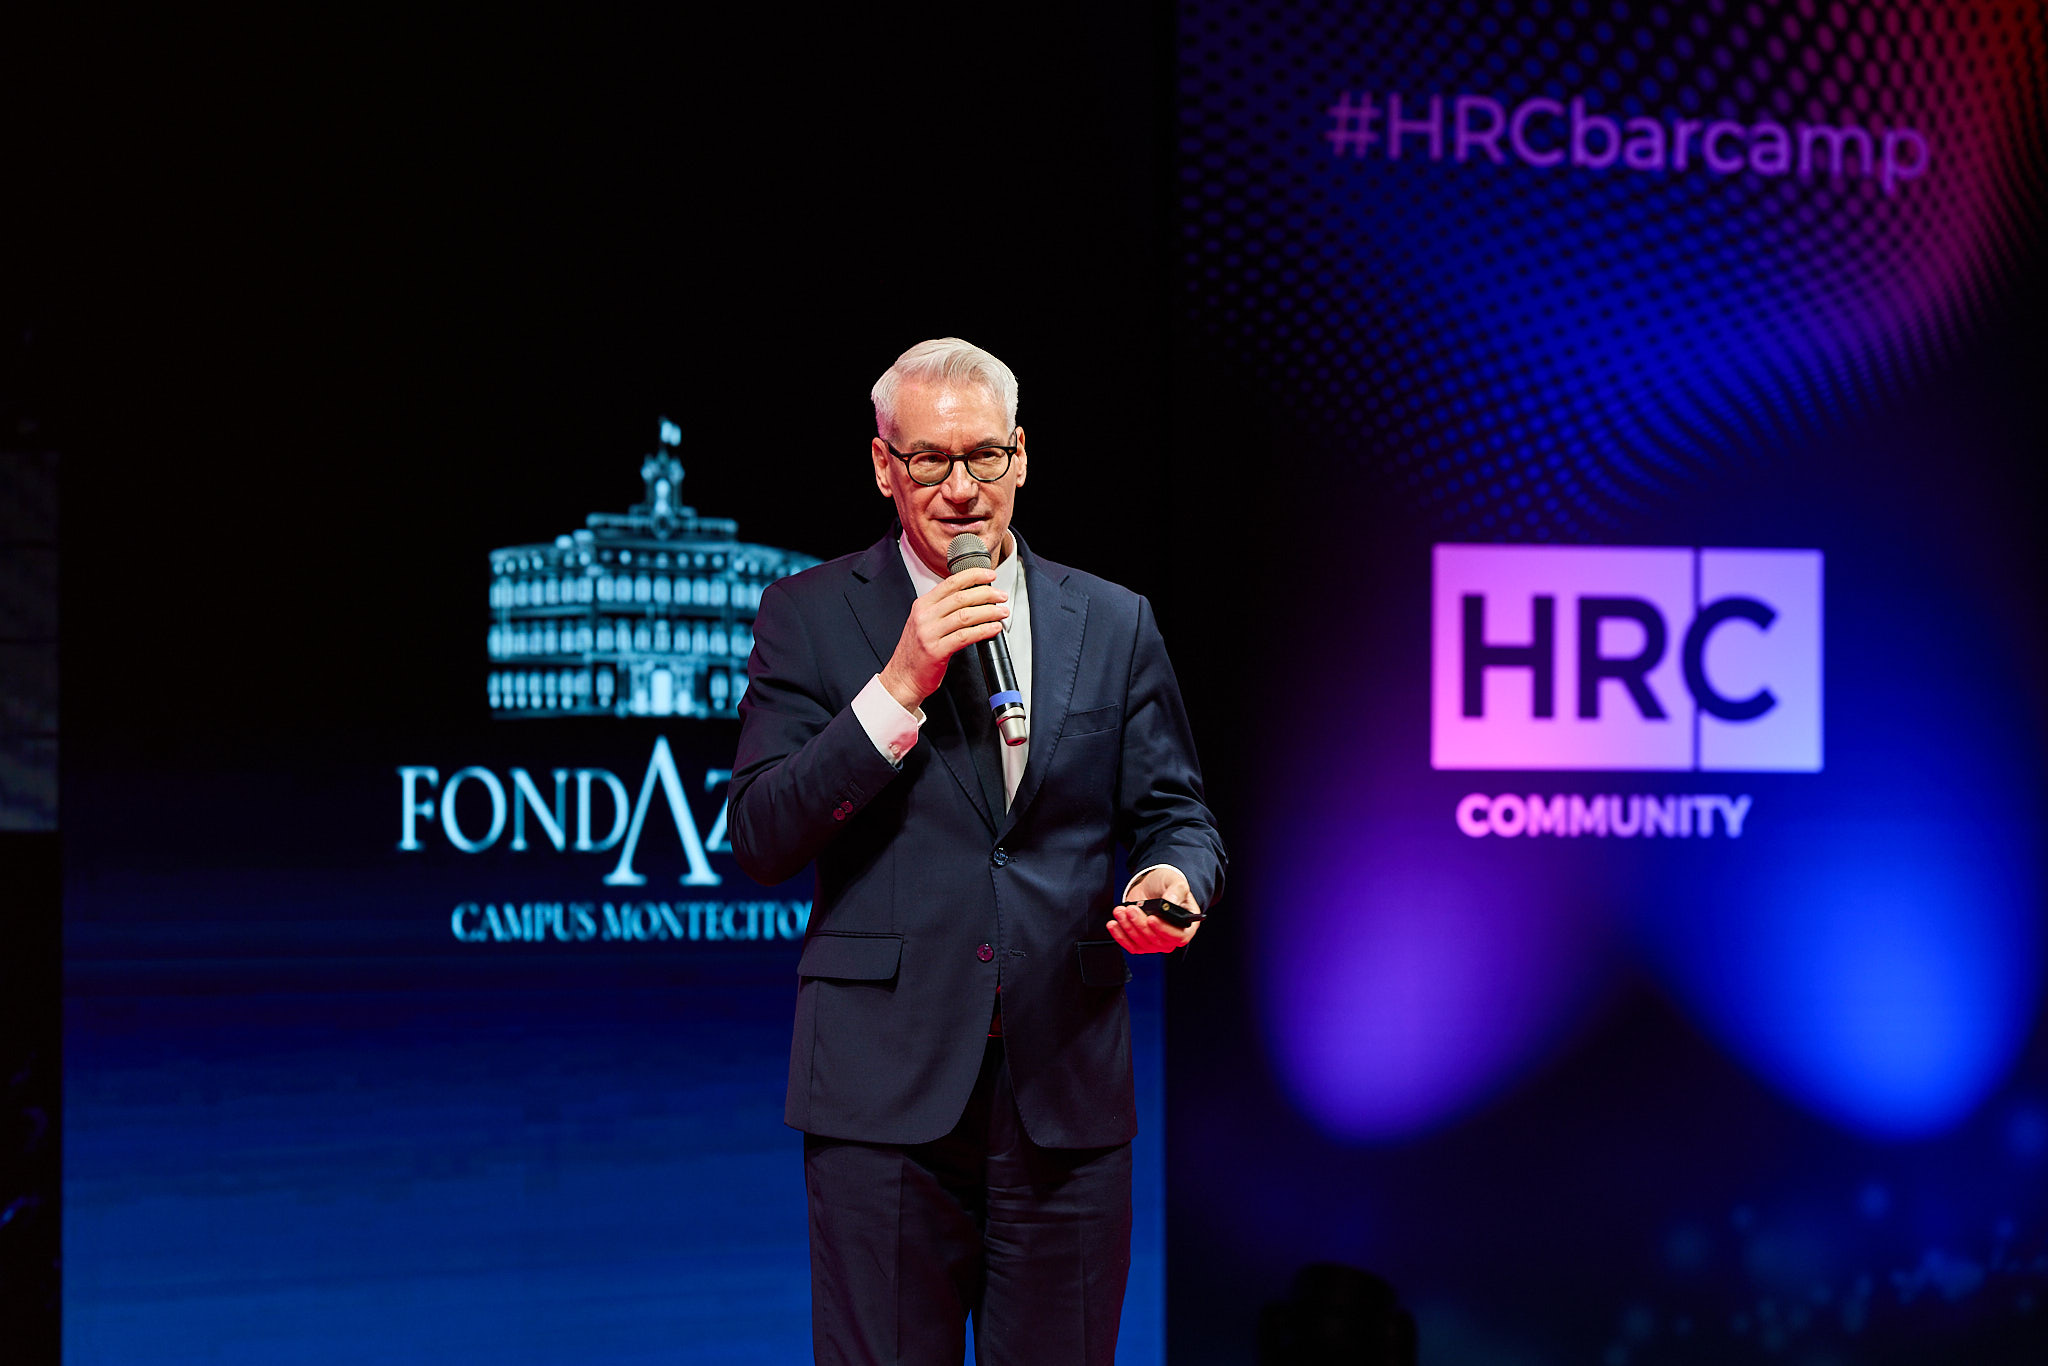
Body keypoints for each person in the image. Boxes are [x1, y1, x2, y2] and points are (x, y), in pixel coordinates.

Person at [730, 337, 1226, 1365]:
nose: (962, 489)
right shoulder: (809, 615)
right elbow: (764, 833)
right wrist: (896, 686)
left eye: (985, 457)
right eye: (930, 461)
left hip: (1064, 1091)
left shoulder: (1114, 620)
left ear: (1022, 456)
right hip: (880, 1098)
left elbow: (1177, 813)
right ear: (884, 466)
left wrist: (1168, 879)